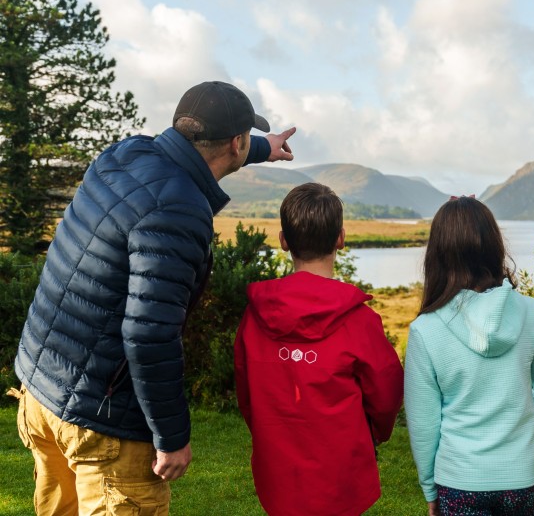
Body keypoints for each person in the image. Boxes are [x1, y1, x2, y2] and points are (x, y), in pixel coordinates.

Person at [12, 80, 297, 515]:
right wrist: (171, 437)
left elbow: (204, 151)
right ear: (235, 142)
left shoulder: (126, 153)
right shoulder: (180, 211)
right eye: (246, 140)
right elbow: (149, 335)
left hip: (40, 389)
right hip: (102, 422)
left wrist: (264, 148)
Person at [234, 182, 404, 516]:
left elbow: (246, 391)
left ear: (284, 241)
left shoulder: (254, 317)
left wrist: (268, 433)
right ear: (340, 238)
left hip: (278, 471)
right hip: (342, 475)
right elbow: (386, 394)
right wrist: (375, 434)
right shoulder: (359, 321)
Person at [404, 196, 534, 516]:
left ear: (437, 255)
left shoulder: (425, 329)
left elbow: (424, 423)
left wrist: (429, 488)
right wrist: (517, 421)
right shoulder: (529, 311)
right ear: (494, 247)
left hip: (459, 478)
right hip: (520, 476)